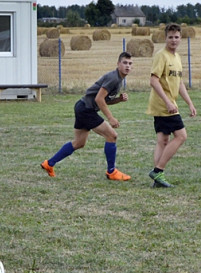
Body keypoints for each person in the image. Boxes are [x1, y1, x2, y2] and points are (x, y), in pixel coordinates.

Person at [40, 52, 133, 181]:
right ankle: (111, 172)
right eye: (124, 63)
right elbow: (99, 99)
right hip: (86, 110)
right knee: (112, 136)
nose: (127, 66)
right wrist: (111, 118)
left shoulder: (118, 79)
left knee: (79, 143)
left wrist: (118, 100)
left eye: (130, 63)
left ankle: (49, 164)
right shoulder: (113, 78)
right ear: (118, 64)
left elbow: (103, 99)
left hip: (82, 107)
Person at [147, 23, 197, 188]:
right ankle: (158, 170)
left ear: (180, 38)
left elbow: (179, 83)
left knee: (162, 140)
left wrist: (189, 103)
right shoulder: (161, 56)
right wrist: (168, 102)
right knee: (181, 136)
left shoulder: (177, 58)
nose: (173, 40)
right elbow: (153, 80)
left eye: (176, 37)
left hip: (169, 104)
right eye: (170, 37)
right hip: (163, 105)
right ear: (165, 38)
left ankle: (158, 179)